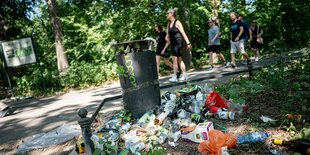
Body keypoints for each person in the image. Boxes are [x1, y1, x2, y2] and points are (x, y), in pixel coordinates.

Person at [165, 8, 192, 82]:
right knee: (179, 59)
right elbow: (168, 35)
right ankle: (185, 74)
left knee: (174, 60)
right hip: (173, 43)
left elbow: (183, 33)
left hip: (178, 42)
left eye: (167, 13)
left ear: (172, 14)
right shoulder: (168, 24)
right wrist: (166, 37)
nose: (166, 15)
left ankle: (175, 77)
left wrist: (188, 43)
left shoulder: (177, 22)